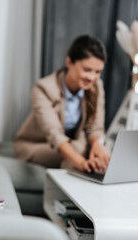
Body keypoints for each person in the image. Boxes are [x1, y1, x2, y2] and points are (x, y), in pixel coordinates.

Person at [14, 35, 110, 173]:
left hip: (74, 143)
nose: (92, 77)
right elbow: (55, 135)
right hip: (35, 145)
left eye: (97, 72)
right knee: (78, 149)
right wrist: (84, 163)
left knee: (104, 151)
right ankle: (67, 193)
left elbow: (95, 127)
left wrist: (97, 145)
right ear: (69, 62)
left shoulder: (96, 86)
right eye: (87, 70)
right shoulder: (43, 88)